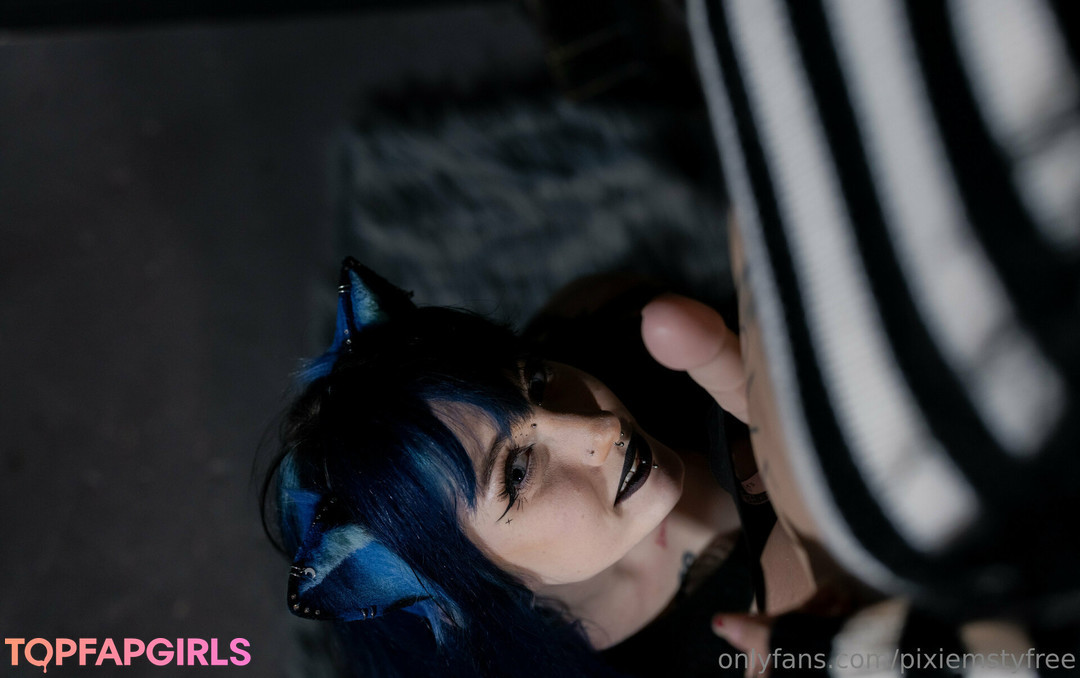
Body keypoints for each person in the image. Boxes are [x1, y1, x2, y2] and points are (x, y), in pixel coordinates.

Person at [261, 259, 783, 678]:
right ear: (469, 587)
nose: (602, 430)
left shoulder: (616, 320)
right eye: (516, 474)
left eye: (535, 381)